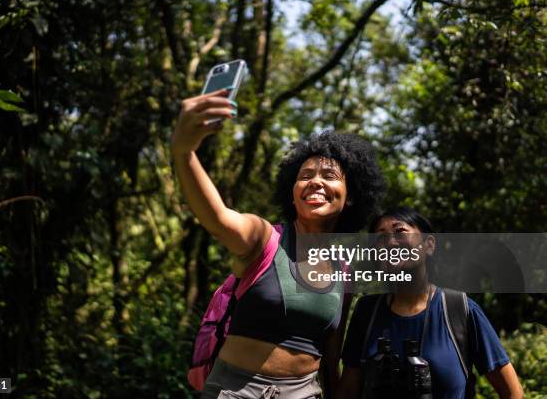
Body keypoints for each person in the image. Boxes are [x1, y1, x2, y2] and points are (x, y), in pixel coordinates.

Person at [171, 88, 386, 398]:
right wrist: (184, 152)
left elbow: (331, 355)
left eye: (329, 175)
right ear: (293, 191)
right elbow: (217, 218)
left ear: (350, 196)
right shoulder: (264, 238)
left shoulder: (343, 270)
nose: (315, 181)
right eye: (306, 174)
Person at [336, 207, 524, 399]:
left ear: (429, 245)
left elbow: (512, 392)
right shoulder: (367, 312)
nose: (390, 243)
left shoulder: (459, 310)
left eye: (400, 232)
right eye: (380, 238)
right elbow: (347, 391)